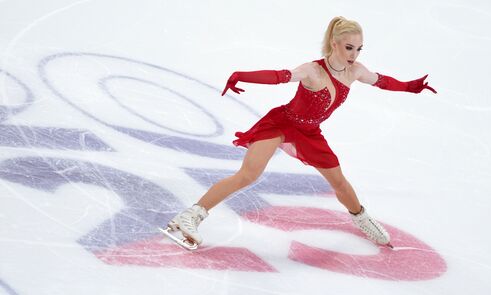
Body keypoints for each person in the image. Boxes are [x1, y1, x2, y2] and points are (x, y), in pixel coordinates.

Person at [166, 16, 436, 249]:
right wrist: (241, 74)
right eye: (349, 47)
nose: (354, 54)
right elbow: (278, 76)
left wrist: (410, 86)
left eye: (359, 48)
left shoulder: (355, 71)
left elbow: (383, 81)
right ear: (335, 43)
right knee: (249, 174)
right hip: (282, 124)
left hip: (309, 132)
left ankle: (362, 218)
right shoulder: (313, 70)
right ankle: (191, 215)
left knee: (339, 181)